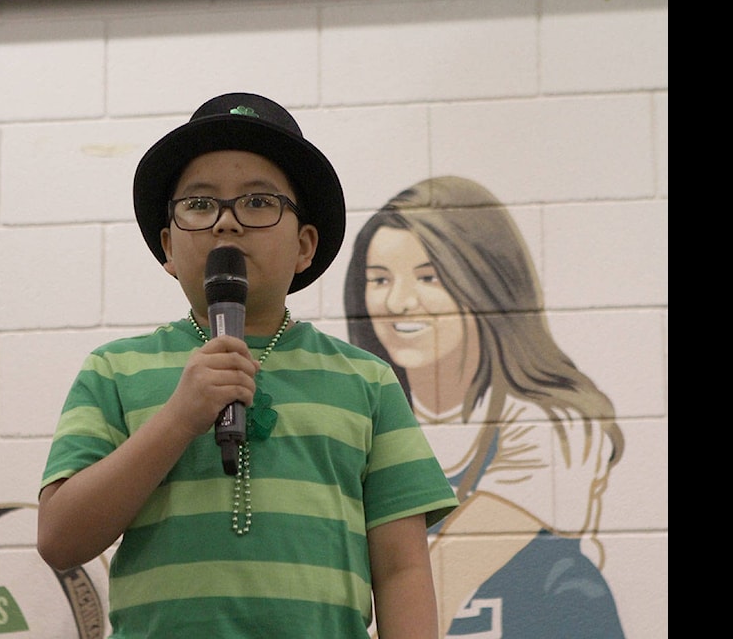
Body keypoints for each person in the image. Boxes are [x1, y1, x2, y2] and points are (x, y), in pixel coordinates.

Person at [37, 93, 459, 639]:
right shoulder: (115, 371)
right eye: (199, 204)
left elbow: (401, 569)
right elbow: (59, 538)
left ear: (305, 244)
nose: (226, 224)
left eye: (259, 203)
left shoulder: (366, 381)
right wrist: (179, 418)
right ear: (167, 246)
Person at [343, 176, 626, 638]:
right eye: (379, 279)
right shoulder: (364, 406)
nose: (398, 302)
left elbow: (443, 578)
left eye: (428, 277)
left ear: (483, 280)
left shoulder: (555, 425)